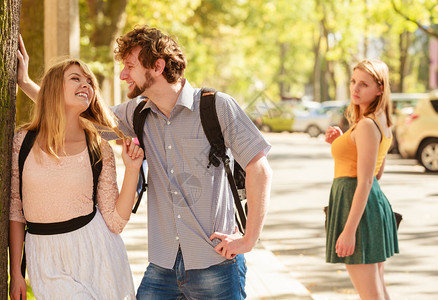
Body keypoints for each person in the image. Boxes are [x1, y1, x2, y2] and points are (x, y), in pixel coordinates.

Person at [17, 26, 272, 299]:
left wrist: (248, 240)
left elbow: (259, 169)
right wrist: (26, 84)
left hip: (215, 264)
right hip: (162, 267)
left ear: (158, 66)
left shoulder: (216, 107)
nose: (123, 74)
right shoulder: (137, 114)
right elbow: (75, 116)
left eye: (130, 66)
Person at [10, 50, 144, 299]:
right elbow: (16, 211)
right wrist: (16, 272)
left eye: (89, 81)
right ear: (53, 88)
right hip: (44, 256)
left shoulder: (98, 146)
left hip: (96, 253)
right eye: (75, 78)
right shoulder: (23, 142)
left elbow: (115, 222)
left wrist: (133, 171)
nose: (86, 84)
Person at [324, 59, 399, 300]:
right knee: (378, 292)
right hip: (368, 207)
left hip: (358, 209)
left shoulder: (367, 125)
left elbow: (366, 180)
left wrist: (349, 231)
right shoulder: (380, 123)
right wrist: (344, 141)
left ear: (380, 89)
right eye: (354, 81)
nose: (355, 89)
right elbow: (376, 173)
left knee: (372, 296)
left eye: (364, 84)